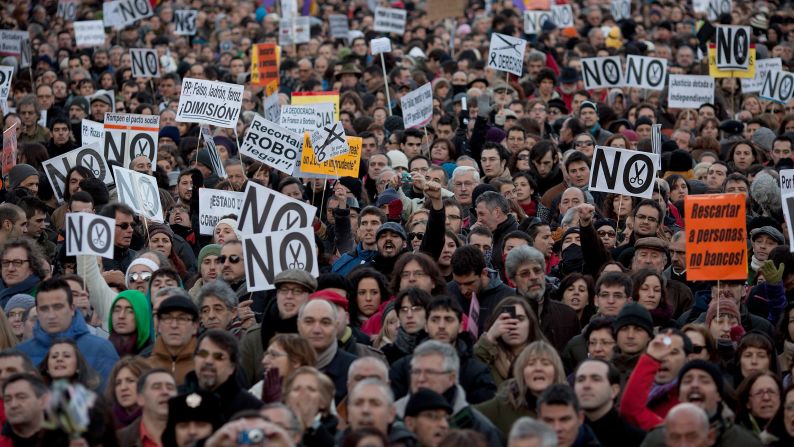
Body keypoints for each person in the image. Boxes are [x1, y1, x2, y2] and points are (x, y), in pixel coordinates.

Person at [16, 278, 119, 389]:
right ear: (37, 312)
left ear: (72, 308)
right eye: (44, 308)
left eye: (58, 307)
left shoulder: (101, 349)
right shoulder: (20, 354)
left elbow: (109, 401)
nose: (51, 315)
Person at [395, 340, 503, 445]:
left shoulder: (478, 427)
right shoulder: (392, 418)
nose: (420, 378)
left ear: (452, 378)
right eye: (416, 372)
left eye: (430, 372)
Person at [239, 269, 317, 386]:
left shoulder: (317, 335)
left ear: (309, 297)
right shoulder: (254, 338)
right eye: (284, 290)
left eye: (297, 291)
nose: (289, 296)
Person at [475, 341, 567, 437]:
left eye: (546, 363)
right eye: (531, 364)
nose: (538, 368)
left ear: (556, 372)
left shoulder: (569, 406)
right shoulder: (503, 404)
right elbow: (466, 417)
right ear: (522, 372)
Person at [505, 245, 580, 351]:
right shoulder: (507, 315)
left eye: (537, 270)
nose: (533, 277)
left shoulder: (567, 314)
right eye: (525, 273)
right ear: (513, 280)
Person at [180, 330, 263, 421]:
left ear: (232, 367)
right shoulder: (178, 400)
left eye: (219, 357)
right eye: (203, 354)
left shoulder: (251, 410)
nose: (208, 361)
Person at [474, 297, 547, 386]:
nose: (513, 326)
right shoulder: (487, 358)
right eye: (506, 320)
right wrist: (489, 337)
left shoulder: (546, 357)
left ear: (530, 324)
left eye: (520, 319)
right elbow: (471, 369)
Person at [297, 299, 357, 403]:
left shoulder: (354, 370)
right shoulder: (282, 367)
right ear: (298, 325)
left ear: (336, 326)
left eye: (325, 322)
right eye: (309, 321)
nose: (316, 330)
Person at [574, 359, 645, 446]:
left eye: (596, 379)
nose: (586, 385)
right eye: (580, 380)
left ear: (614, 390)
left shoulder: (637, 439)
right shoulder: (564, 433)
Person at [448, 245, 515, 335]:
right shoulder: (447, 292)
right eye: (458, 284)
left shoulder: (508, 297)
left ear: (484, 273)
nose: (463, 291)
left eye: (469, 283)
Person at [145, 295, 200, 386]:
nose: (174, 325)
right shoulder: (144, 367)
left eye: (182, 319)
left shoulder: (204, 367)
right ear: (158, 325)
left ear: (195, 326)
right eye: (167, 318)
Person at [117, 368, 178, 447]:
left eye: (170, 388)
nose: (165, 392)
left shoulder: (193, 436)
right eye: (157, 387)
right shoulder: (119, 440)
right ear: (140, 398)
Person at [250, 333, 316, 403]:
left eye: (273, 355)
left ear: (296, 361)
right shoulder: (259, 390)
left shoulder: (319, 392)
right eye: (266, 354)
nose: (264, 361)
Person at [0, 373, 49, 445]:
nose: (13, 405)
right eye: (7, 399)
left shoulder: (66, 440)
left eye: (21, 397)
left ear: (43, 401)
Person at [107, 356, 152, 429]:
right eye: (118, 383)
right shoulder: (108, 422)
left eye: (130, 381)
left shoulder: (158, 418)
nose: (123, 388)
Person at [0, 239, 47, 308]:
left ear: (32, 267)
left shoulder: (42, 295)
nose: (10, 269)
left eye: (17, 262)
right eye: (6, 262)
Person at [108, 290, 154, 357]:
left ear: (142, 316)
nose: (121, 316)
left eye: (130, 311)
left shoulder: (152, 356)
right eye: (117, 310)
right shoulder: (103, 351)